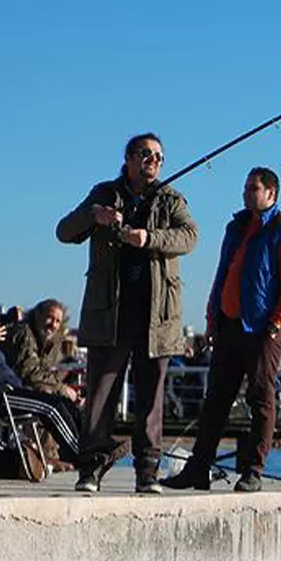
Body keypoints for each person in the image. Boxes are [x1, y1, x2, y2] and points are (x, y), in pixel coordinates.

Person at [56, 133, 198, 493]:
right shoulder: (104, 194)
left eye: (158, 157)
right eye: (145, 154)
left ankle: (147, 474)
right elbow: (64, 232)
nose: (152, 161)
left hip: (157, 319)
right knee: (101, 395)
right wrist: (94, 217)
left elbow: (189, 237)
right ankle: (90, 469)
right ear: (129, 158)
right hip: (110, 314)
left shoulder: (170, 199)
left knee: (150, 400)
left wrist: (149, 238)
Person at [162, 167, 281, 493]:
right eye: (245, 187)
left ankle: (253, 470)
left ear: (271, 193)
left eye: (253, 188)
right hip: (228, 326)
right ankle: (197, 470)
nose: (246, 193)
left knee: (261, 398)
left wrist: (276, 322)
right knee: (215, 401)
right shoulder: (236, 227)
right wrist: (212, 319)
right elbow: (223, 273)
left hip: (262, 329)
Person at [0, 289, 81, 471]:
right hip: (0, 394)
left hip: (15, 389)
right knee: (50, 404)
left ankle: (92, 449)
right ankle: (83, 457)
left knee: (62, 403)